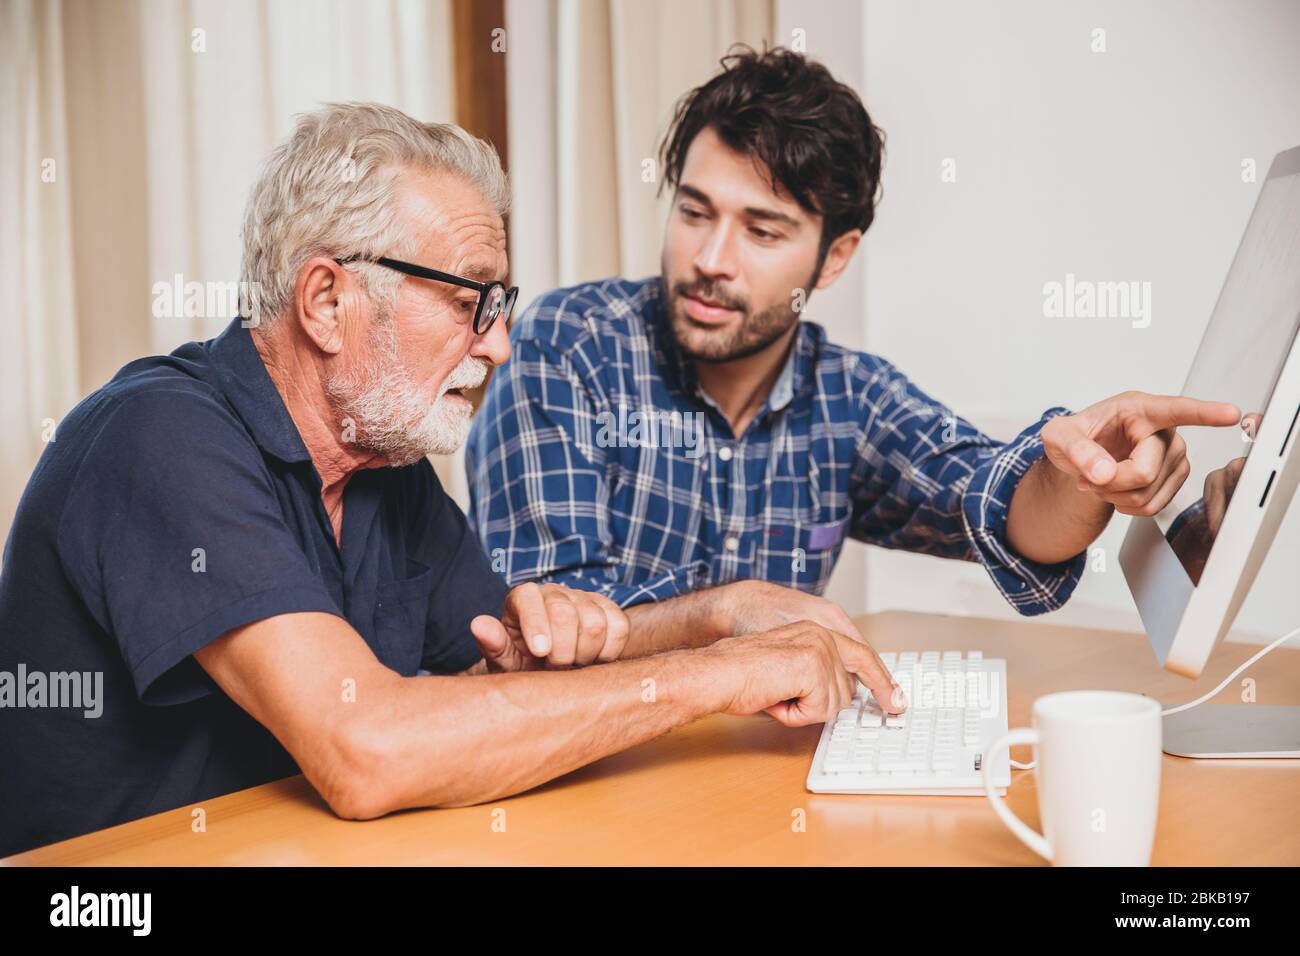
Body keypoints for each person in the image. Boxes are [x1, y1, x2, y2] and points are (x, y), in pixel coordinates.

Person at [0, 103, 899, 857]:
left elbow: (500, 684)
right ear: (326, 300)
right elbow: (371, 750)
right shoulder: (158, 437)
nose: (500, 344)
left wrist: (716, 617)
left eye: (501, 305)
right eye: (472, 299)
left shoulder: (383, 464)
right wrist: (721, 675)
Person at [466, 47, 1241, 669]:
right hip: (583, 788)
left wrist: (1082, 472)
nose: (710, 258)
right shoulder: (563, 348)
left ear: (834, 258)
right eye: (694, 212)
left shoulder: (846, 396)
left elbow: (1003, 508)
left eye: (762, 231)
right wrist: (726, 616)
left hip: (749, 781)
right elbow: (549, 632)